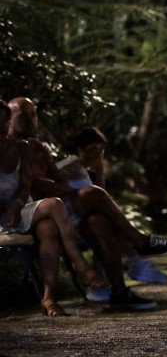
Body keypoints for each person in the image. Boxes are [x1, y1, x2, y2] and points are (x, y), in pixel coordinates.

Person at [8, 97, 167, 309]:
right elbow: (33, 184)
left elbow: (56, 178)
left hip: (60, 207)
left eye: (33, 114)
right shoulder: (9, 147)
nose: (30, 119)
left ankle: (119, 292)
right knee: (92, 193)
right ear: (8, 118)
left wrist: (67, 186)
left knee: (99, 221)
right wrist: (70, 190)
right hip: (34, 213)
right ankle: (140, 242)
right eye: (23, 115)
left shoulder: (38, 147)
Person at [1, 100, 110, 316]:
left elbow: (25, 186)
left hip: (21, 210)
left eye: (5, 120)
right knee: (52, 211)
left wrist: (16, 205)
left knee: (49, 224)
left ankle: (49, 297)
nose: (3, 125)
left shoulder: (22, 147)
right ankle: (82, 268)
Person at [57, 126, 167, 284]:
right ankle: (138, 259)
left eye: (100, 149)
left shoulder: (85, 169)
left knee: (104, 221)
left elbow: (102, 196)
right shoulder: (71, 164)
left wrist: (100, 170)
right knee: (109, 222)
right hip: (72, 224)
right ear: (80, 150)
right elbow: (53, 178)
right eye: (92, 149)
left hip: (90, 219)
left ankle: (133, 268)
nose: (97, 154)